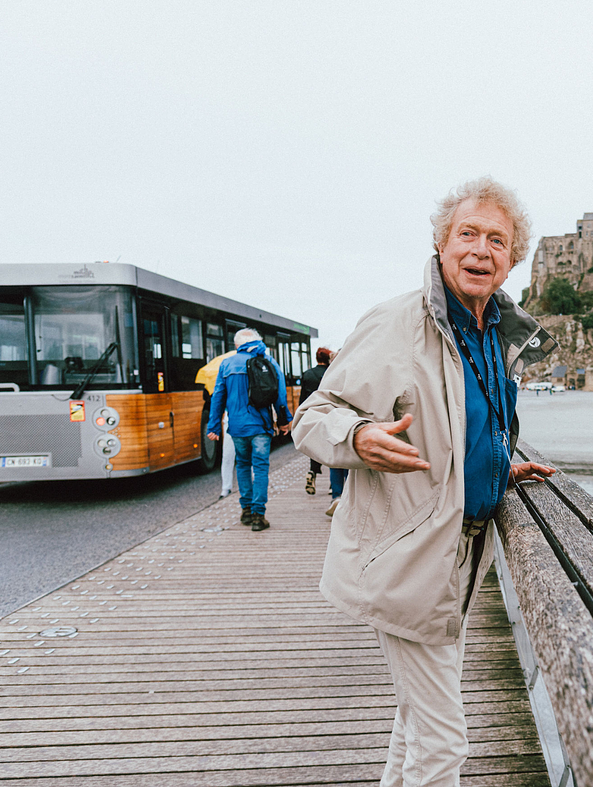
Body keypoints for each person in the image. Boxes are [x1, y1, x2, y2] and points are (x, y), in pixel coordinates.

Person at [292, 177, 557, 786]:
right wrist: (358, 438)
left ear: (513, 259)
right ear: (441, 242)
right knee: (444, 745)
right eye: (467, 234)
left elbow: (468, 422)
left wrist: (497, 465)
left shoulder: (494, 331)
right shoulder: (398, 322)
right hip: (408, 556)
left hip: (461, 554)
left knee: (416, 723)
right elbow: (313, 416)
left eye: (497, 240)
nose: (480, 250)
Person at [207, 328, 292, 531]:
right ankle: (258, 515)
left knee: (243, 465)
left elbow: (218, 396)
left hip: (237, 426)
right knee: (261, 467)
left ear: (237, 345)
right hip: (260, 425)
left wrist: (214, 426)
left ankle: (246, 510)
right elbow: (280, 394)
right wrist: (283, 421)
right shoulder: (268, 361)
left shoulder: (226, 364)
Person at [299, 347, 348, 515]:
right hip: (348, 421)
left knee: (332, 460)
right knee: (348, 461)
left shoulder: (312, 375)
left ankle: (335, 495)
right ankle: (348, 496)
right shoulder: (348, 375)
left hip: (325, 419)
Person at [195, 349, 236, 498]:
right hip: (243, 421)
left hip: (229, 421)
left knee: (228, 455)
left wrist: (214, 427)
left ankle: (226, 488)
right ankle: (250, 486)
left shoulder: (221, 376)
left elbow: (215, 401)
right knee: (247, 456)